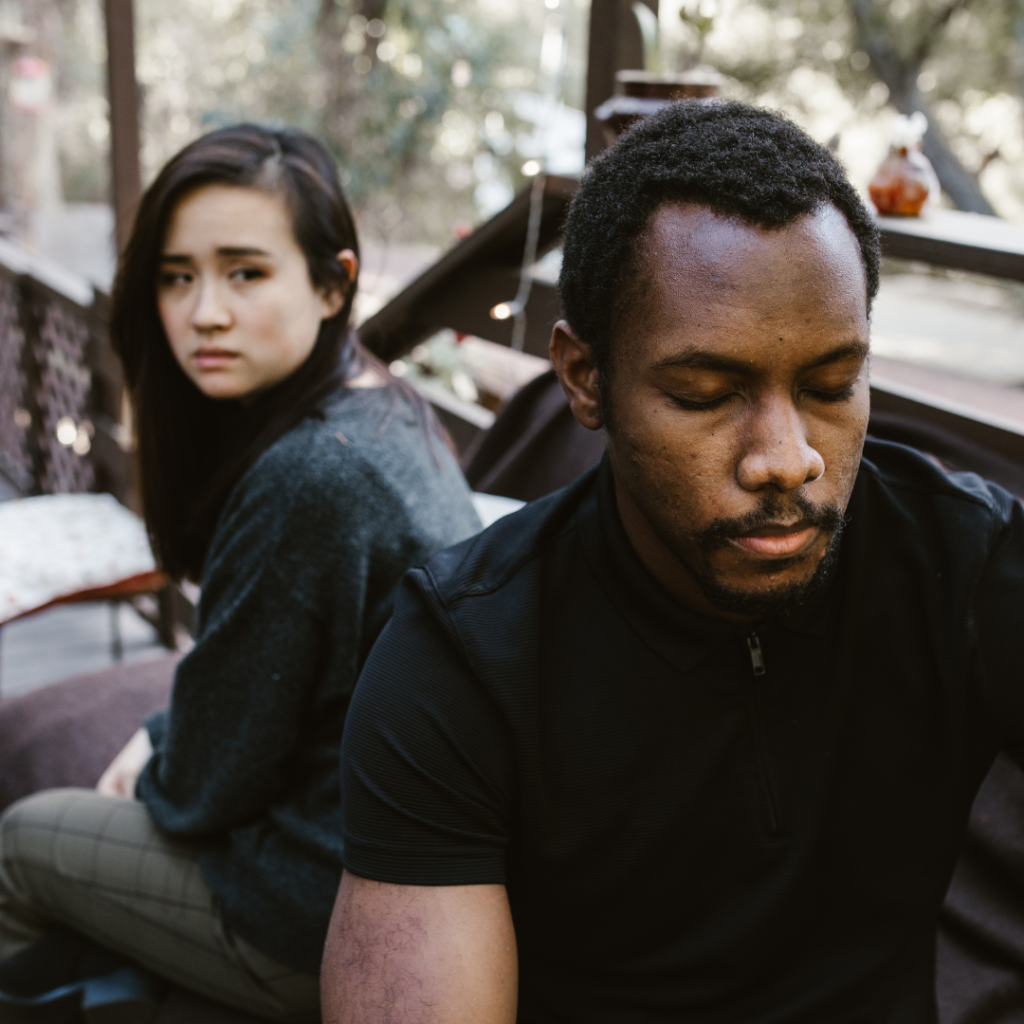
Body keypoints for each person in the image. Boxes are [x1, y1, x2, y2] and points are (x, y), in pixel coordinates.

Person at [323, 101, 1024, 1023]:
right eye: (704, 394)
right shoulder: (460, 661)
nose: (786, 459)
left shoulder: (965, 564)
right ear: (585, 378)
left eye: (830, 385)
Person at [0, 124, 481, 1021]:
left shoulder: (311, 476)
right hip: (393, 846)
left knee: (21, 843)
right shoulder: (384, 405)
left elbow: (202, 787)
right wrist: (164, 735)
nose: (204, 313)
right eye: (177, 276)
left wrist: (156, 752)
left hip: (328, 907)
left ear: (334, 283)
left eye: (245, 272)